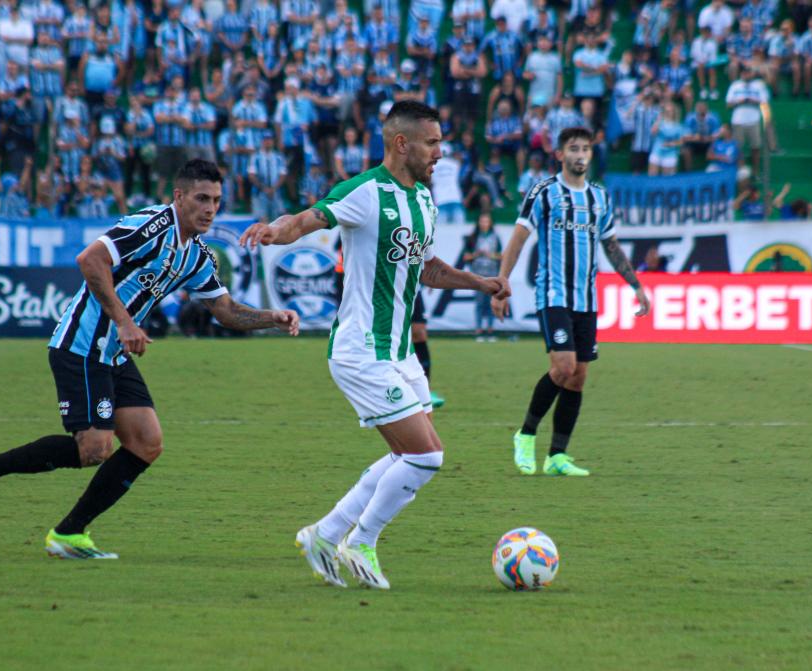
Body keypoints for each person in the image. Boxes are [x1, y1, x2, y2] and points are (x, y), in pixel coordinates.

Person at [0, 160, 301, 559]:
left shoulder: (197, 255)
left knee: (146, 443)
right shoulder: (151, 225)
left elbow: (225, 310)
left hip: (114, 353)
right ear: (179, 196)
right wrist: (125, 322)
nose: (210, 209)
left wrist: (271, 318)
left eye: (217, 201)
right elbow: (90, 260)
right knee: (94, 449)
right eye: (202, 198)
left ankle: (69, 534)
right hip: (82, 345)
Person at [239, 101, 511, 589]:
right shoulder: (364, 192)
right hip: (362, 350)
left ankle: (325, 534)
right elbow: (307, 219)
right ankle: (361, 541)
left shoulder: (423, 199)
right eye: (432, 142)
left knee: (409, 455)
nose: (440, 153)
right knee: (426, 456)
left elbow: (428, 268)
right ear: (401, 143)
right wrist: (274, 231)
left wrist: (481, 283)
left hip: (400, 352)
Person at [491, 127, 650, 477]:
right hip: (553, 294)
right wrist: (501, 284)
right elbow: (518, 238)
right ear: (560, 155)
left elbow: (610, 245)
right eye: (574, 149)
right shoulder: (544, 192)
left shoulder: (600, 197)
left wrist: (635, 285)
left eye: (586, 149)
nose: (580, 154)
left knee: (577, 378)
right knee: (563, 368)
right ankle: (525, 434)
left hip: (586, 299)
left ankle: (557, 456)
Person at [463, 212, 502, 342]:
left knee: (491, 303)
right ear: (478, 223)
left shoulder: (495, 237)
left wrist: (490, 255)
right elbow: (466, 257)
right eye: (482, 221)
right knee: (479, 303)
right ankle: (478, 330)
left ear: (490, 223)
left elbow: (501, 256)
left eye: (486, 221)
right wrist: (477, 254)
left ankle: (490, 330)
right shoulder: (473, 238)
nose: (484, 224)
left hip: (492, 274)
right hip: (478, 275)